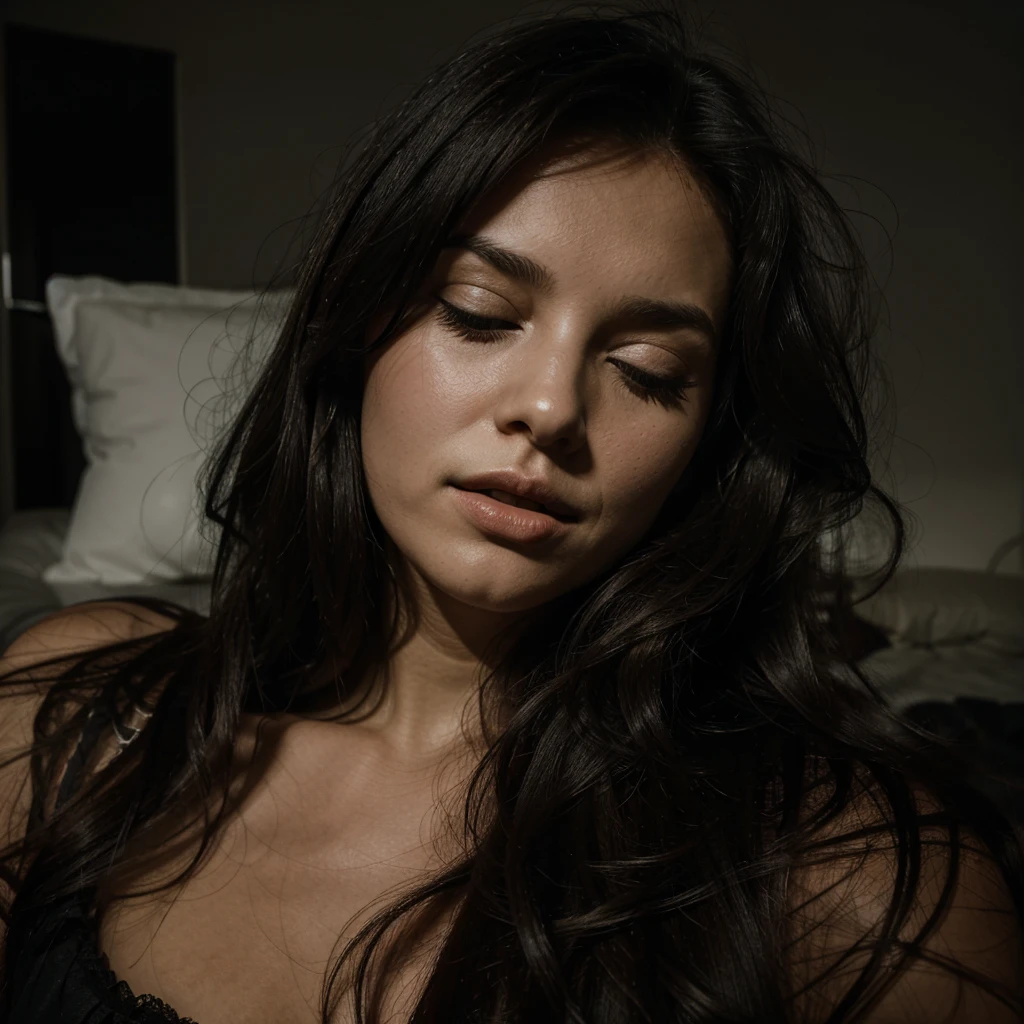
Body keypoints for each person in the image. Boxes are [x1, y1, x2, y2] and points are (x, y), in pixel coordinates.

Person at [0, 5, 1021, 1023]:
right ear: (356, 328)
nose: (549, 407)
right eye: (477, 314)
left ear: (709, 442)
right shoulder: (69, 716)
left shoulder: (853, 884)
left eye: (647, 370)